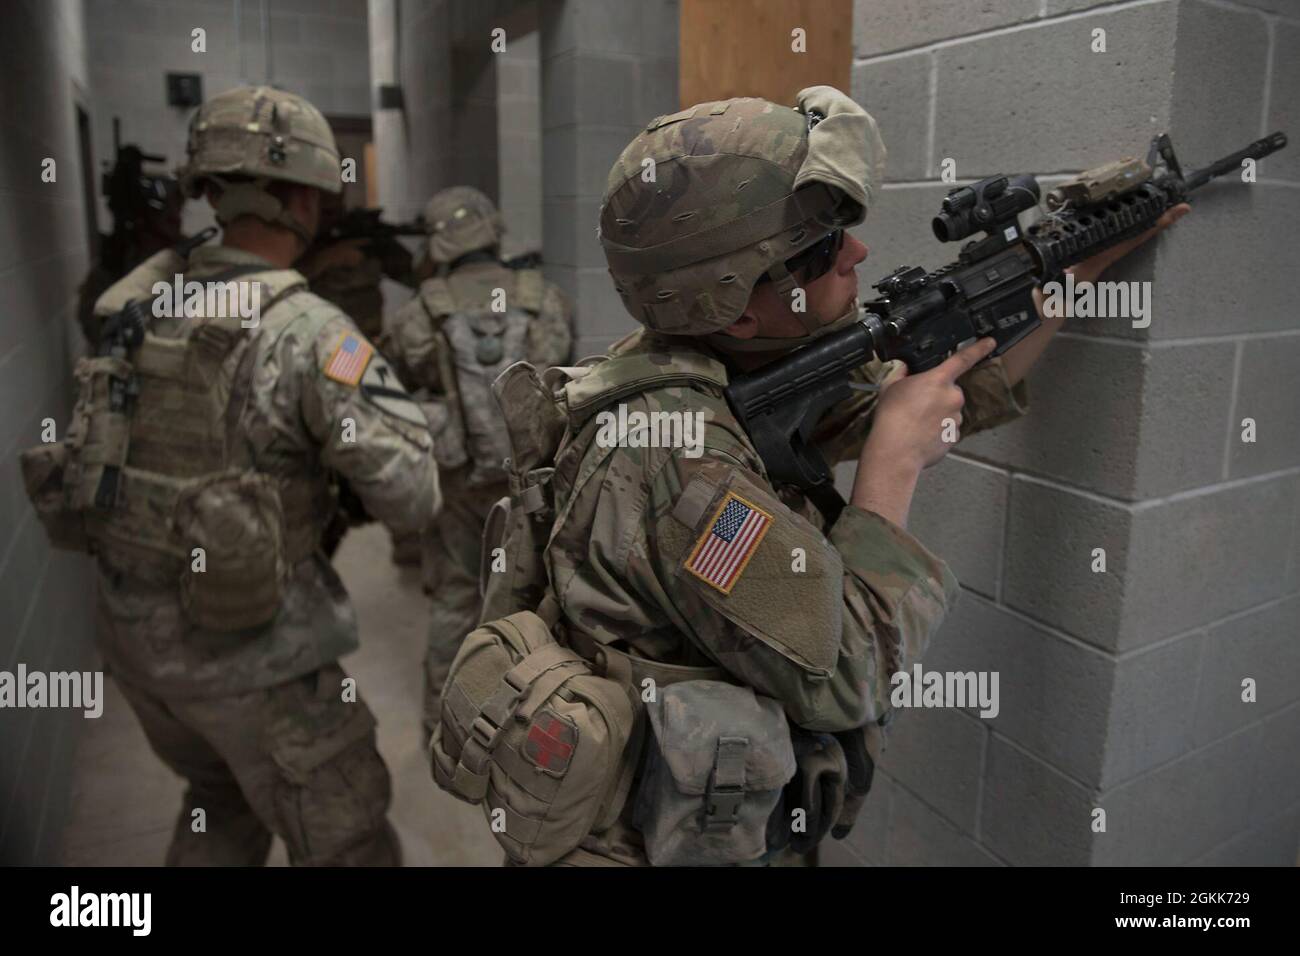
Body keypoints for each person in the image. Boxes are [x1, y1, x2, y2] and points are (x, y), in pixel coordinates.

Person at [445, 86, 1187, 866]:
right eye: (822, 248)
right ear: (734, 307)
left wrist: (1072, 265)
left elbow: (941, 391)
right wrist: (891, 468)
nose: (856, 254)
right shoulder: (679, 463)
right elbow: (848, 675)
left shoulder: (698, 360)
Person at [21, 86, 441, 866]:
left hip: (138, 650)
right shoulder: (308, 330)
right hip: (253, 662)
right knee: (347, 838)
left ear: (210, 190)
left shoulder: (138, 306)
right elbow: (411, 494)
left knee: (220, 802)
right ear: (295, 198)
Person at [385, 186, 573, 741]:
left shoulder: (420, 310)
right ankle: (526, 728)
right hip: (532, 481)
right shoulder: (545, 296)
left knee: (455, 594)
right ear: (493, 231)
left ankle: (444, 726)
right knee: (538, 597)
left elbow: (392, 386)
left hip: (457, 480)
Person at [77, 143, 184, 353]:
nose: (175, 219)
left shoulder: (185, 254)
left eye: (176, 212)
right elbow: (94, 323)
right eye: (168, 215)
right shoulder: (122, 256)